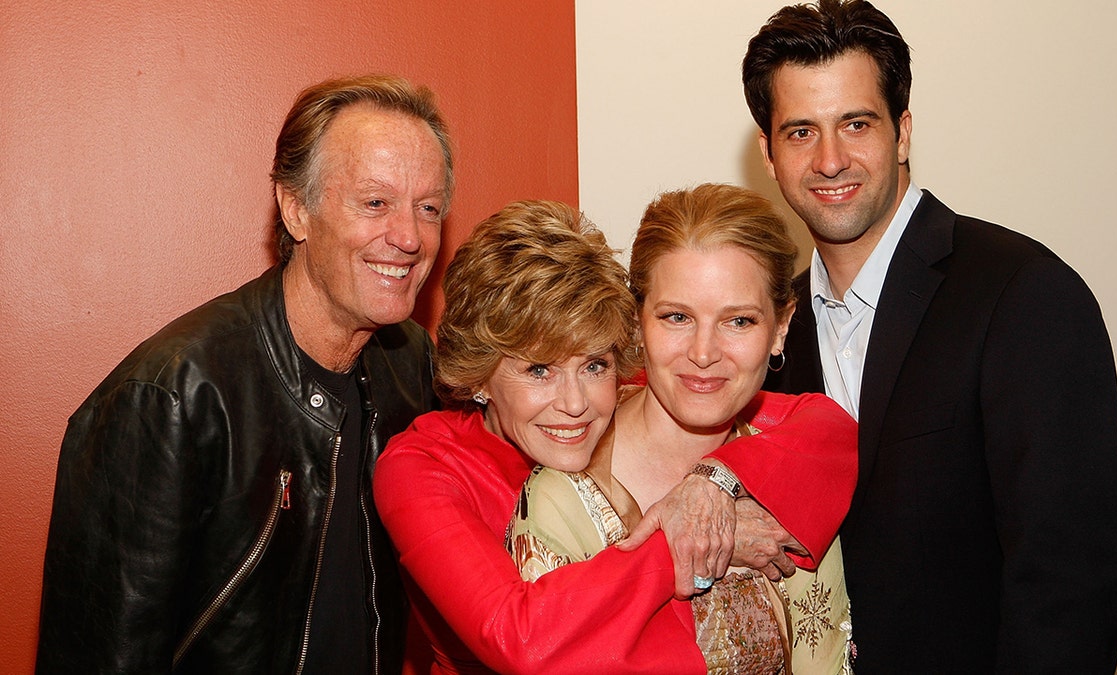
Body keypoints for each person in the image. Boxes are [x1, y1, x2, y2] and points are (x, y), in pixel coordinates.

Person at [743, 1, 1117, 671]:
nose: (831, 159)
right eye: (801, 132)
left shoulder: (1022, 294)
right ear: (770, 156)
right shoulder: (768, 329)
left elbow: (1067, 590)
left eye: (856, 124)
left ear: (903, 132)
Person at [36, 75, 452, 673]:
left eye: (428, 208)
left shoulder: (411, 366)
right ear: (296, 209)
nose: (409, 237)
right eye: (375, 202)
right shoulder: (170, 398)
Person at [374, 200, 856, 674]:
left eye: (594, 364)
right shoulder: (424, 468)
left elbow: (821, 425)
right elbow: (519, 637)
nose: (575, 403)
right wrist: (700, 540)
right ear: (479, 375)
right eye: (539, 369)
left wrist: (715, 481)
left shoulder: (647, 395)